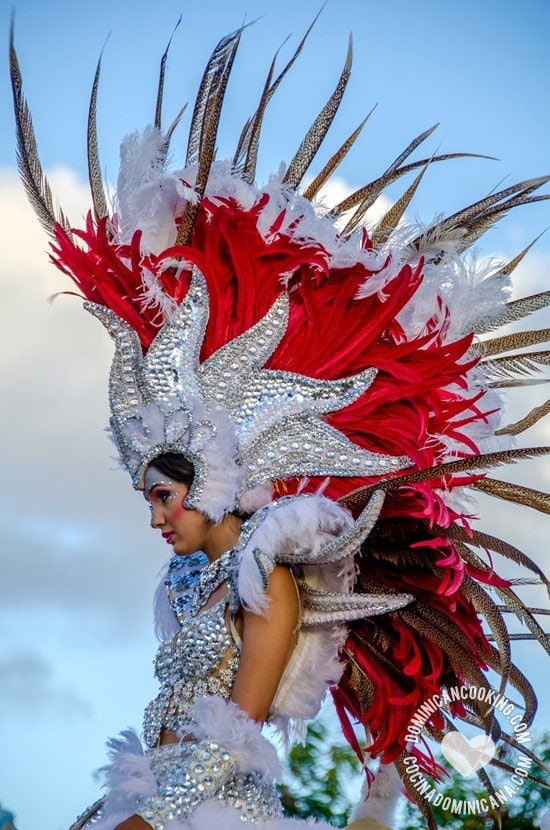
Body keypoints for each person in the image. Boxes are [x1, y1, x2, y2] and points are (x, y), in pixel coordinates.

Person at [11, 17, 549, 830]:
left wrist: (154, 820)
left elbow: (238, 732)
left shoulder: (272, 584)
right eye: (148, 497)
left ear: (215, 480)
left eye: (165, 495)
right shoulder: (187, 584)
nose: (154, 514)